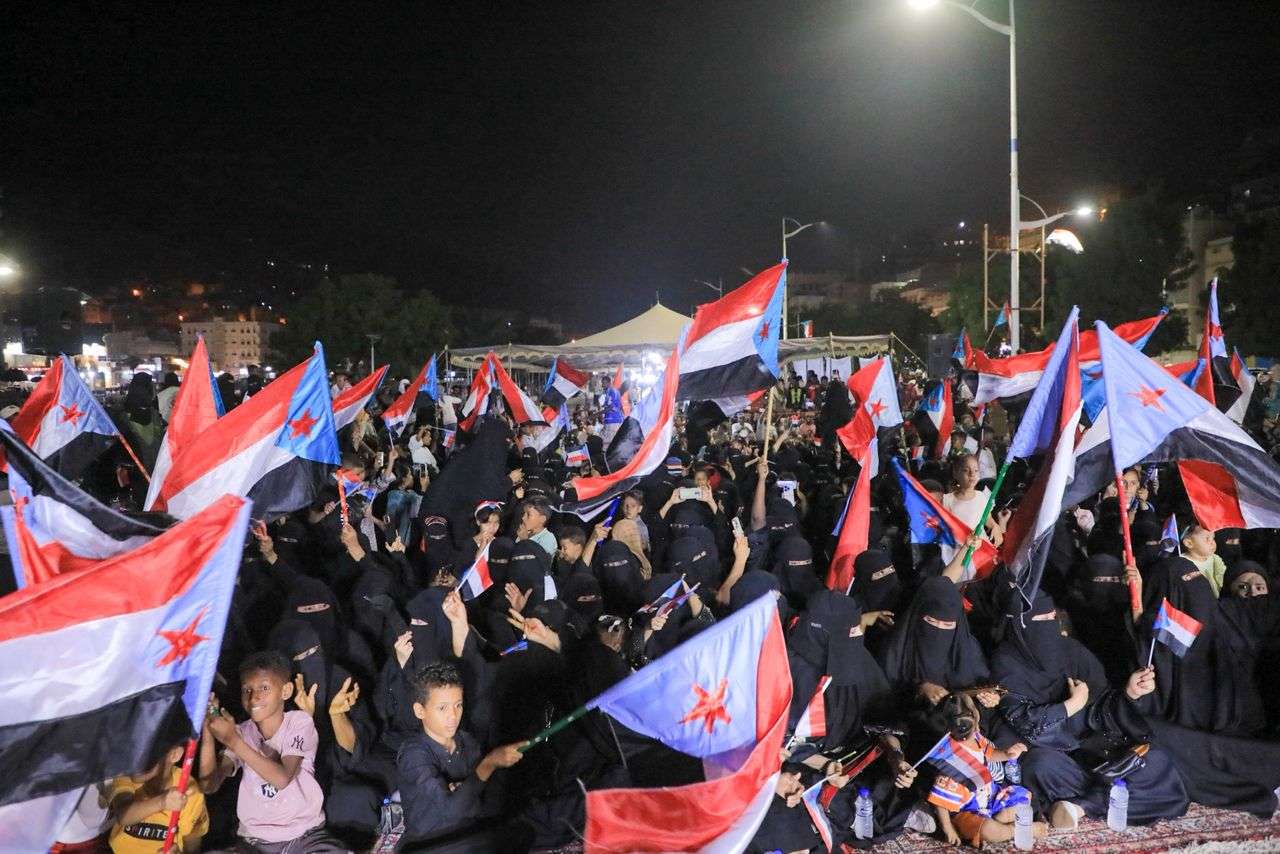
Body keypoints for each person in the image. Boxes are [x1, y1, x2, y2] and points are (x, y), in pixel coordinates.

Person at [199, 651, 346, 853]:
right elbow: (209, 785)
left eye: (264, 688)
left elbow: (283, 778)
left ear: (285, 691)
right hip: (254, 842)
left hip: (303, 836)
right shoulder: (242, 732)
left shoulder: (299, 723)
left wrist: (232, 740)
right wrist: (208, 731)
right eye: (247, 690)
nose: (254, 697)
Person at [395, 662, 524, 844]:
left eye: (458, 705)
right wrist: (488, 764)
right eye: (442, 708)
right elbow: (451, 810)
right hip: (428, 843)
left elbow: (480, 795)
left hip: (466, 832)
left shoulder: (466, 741)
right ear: (420, 710)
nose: (453, 716)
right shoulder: (413, 754)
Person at [926, 693, 1046, 847]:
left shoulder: (977, 739)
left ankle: (1001, 819)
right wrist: (948, 829)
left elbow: (989, 754)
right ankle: (1014, 830)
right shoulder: (949, 761)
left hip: (990, 796)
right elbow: (940, 802)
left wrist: (1007, 754)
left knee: (1024, 796)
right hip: (967, 810)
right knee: (987, 830)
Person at [105, 740, 209, 853]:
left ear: (175, 754)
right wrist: (162, 802)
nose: (136, 760)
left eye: (148, 751)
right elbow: (123, 815)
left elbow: (192, 846)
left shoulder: (189, 790)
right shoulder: (126, 774)